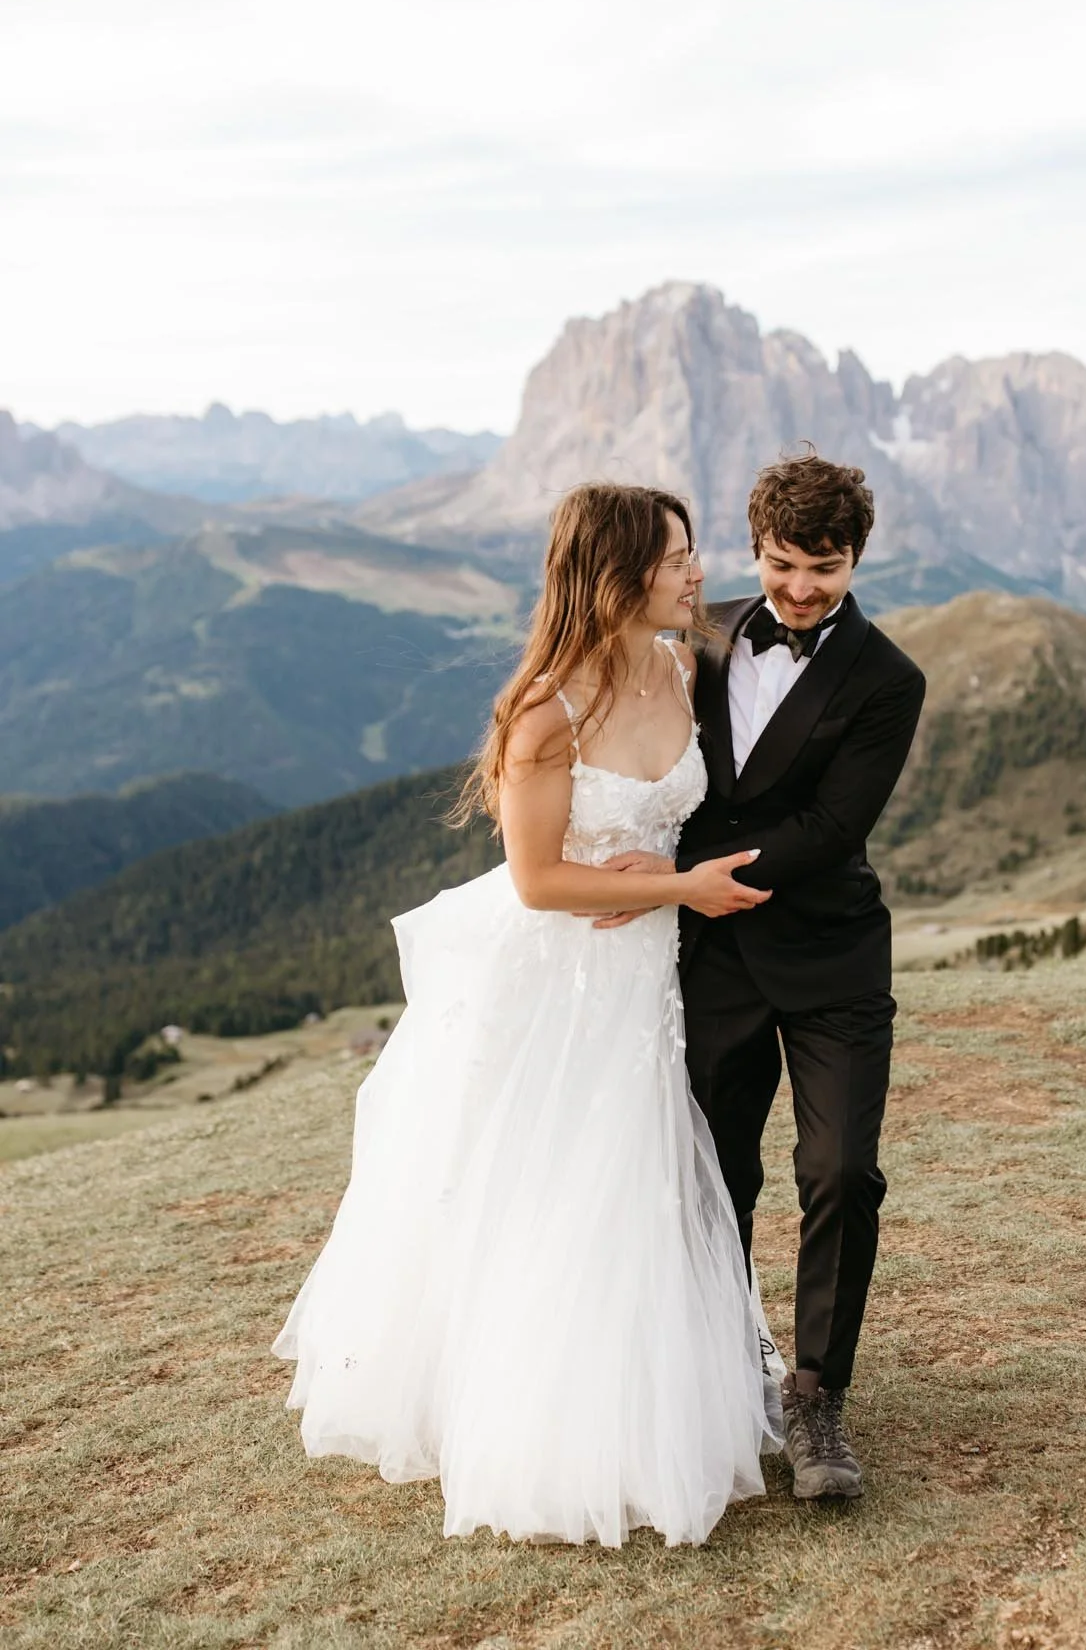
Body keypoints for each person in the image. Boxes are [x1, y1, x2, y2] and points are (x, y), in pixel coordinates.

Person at [273, 483, 778, 1548]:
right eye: (677, 557)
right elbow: (540, 879)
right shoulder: (546, 715)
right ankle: (546, 1432)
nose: (698, 572)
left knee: (635, 1175)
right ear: (617, 574)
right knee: (560, 1178)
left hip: (645, 976)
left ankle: (640, 1404)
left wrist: (667, 873)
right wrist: (679, 888)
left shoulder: (679, 667)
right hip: (563, 979)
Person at [594, 453, 925, 1501]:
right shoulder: (698, 636)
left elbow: (831, 827)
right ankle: (727, 1368)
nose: (800, 588)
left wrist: (688, 875)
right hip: (713, 959)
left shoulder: (889, 679)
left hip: (833, 957)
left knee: (841, 1171)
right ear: (755, 551)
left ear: (855, 558)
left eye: (824, 568)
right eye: (784, 564)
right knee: (715, 1171)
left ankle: (817, 1397)